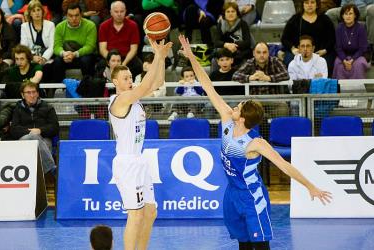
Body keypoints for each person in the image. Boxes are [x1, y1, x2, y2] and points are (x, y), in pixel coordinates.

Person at [179, 34, 332, 250]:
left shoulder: (256, 143)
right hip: (232, 194)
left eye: (238, 107)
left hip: (252, 197)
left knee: (260, 246)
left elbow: (285, 166)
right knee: (242, 245)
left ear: (242, 118)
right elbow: (208, 85)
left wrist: (311, 187)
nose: (234, 106)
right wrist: (191, 58)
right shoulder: (226, 120)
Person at [108, 38, 172, 250]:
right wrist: (156, 57)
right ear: (115, 82)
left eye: (129, 77)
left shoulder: (134, 99)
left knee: (150, 211)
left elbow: (157, 83)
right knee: (135, 214)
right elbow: (146, 84)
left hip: (139, 160)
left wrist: (161, 57)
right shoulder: (119, 101)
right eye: (125, 78)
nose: (129, 80)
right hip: (126, 163)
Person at [10, 81, 59, 176]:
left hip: (44, 138)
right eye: (28, 92)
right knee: (33, 137)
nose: (32, 95)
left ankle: (40, 180)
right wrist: (30, 132)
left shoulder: (48, 108)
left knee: (45, 143)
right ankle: (52, 169)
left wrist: (40, 130)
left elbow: (55, 127)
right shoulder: (17, 109)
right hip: (24, 139)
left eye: (34, 92)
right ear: (22, 95)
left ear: (38, 93)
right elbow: (14, 129)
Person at [281, 0, 335, 76]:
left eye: (312, 2)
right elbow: (285, 38)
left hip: (320, 52)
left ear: (317, 5)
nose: (310, 5)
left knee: (328, 62)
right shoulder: (295, 19)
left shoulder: (325, 19)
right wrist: (292, 48)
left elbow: (332, 38)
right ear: (303, 5)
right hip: (299, 51)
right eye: (306, 2)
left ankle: (322, 85)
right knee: (289, 61)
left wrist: (325, 50)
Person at [53, 2, 96, 82]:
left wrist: (75, 54)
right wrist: (64, 53)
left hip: (82, 55)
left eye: (76, 15)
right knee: (57, 61)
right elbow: (56, 47)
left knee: (87, 60)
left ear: (81, 15)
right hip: (66, 56)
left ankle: (87, 87)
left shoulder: (90, 25)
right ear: (66, 16)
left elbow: (90, 46)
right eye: (70, 16)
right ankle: (58, 88)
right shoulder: (60, 27)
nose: (74, 18)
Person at [99, 1, 142, 79]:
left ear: (125, 11)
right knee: (100, 67)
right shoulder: (103, 26)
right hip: (110, 57)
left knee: (138, 66)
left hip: (127, 57)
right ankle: (105, 90)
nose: (119, 14)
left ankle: (133, 89)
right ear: (111, 12)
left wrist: (123, 64)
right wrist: (112, 61)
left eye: (122, 11)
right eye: (116, 12)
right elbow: (102, 49)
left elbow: (134, 49)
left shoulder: (133, 25)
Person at [210, 1, 252, 70]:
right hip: (224, 52)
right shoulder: (220, 24)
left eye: (233, 11)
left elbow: (247, 43)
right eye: (228, 11)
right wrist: (226, 45)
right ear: (224, 13)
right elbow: (216, 42)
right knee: (214, 60)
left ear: (237, 13)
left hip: (239, 53)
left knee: (245, 61)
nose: (230, 14)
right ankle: (215, 78)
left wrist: (234, 45)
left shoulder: (243, 24)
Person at [20, 0, 54, 83]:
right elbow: (24, 46)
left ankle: (47, 91)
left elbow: (52, 46)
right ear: (30, 13)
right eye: (33, 11)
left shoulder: (50, 25)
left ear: (42, 12)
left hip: (46, 58)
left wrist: (44, 58)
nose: (37, 13)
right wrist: (32, 57)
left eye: (38, 10)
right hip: (31, 58)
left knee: (49, 67)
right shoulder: (24, 26)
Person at [332, 4, 370, 79]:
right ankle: (340, 88)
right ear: (342, 16)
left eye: (350, 13)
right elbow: (338, 48)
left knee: (359, 64)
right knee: (337, 63)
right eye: (345, 14)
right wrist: (344, 60)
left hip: (358, 55)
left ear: (355, 15)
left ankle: (358, 88)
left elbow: (362, 48)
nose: (348, 16)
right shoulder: (339, 28)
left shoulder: (361, 28)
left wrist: (352, 60)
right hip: (343, 55)